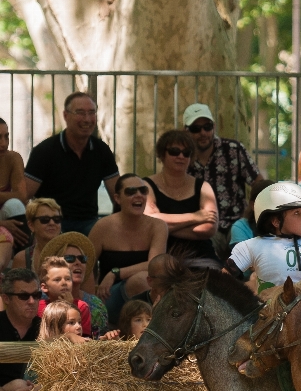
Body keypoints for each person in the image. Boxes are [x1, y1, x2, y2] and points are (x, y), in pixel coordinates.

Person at [24, 92, 120, 236]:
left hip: (89, 222)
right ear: (65, 115)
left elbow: (118, 195)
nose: (87, 119)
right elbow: (24, 195)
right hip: (53, 222)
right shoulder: (44, 151)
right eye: (80, 113)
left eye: (91, 112)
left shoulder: (102, 150)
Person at [183, 103, 263, 259]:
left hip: (239, 223)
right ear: (186, 131)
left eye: (207, 126)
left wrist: (250, 211)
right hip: (204, 228)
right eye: (195, 129)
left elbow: (259, 183)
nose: (203, 133)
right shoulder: (182, 157)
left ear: (213, 126)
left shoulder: (233, 149)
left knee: (251, 263)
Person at [89, 174, 168, 324]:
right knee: (142, 279)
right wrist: (91, 302)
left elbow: (154, 265)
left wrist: (115, 273)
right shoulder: (102, 227)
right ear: (117, 198)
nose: (138, 195)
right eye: (131, 191)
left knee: (151, 280)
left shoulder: (157, 226)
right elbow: (86, 267)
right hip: (108, 297)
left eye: (143, 190)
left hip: (146, 295)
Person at [225, 182, 301, 294]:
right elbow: (222, 281)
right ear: (276, 221)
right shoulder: (248, 247)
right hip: (264, 310)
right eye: (296, 213)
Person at [144, 130, 221, 270]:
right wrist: (195, 217)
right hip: (164, 258)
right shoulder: (147, 185)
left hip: (202, 257)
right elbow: (148, 222)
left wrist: (162, 227)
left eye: (186, 153)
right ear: (162, 154)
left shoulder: (203, 186)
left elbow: (209, 228)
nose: (181, 156)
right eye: (174, 151)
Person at [38, 232, 106, 337]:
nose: (78, 262)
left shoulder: (96, 305)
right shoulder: (36, 301)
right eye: (70, 258)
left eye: (82, 259)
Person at [0, 268, 41, 391]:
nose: (31, 301)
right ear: (6, 298)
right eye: (23, 296)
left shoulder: (46, 328)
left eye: (36, 295)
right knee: (18, 384)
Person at [0, 118, 30, 248]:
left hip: (5, 216)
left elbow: (22, 196)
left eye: (6, 137)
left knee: (15, 205)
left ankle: (22, 260)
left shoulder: (12, 158)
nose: (4, 144)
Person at [12, 198, 62, 274]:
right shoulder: (22, 259)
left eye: (57, 219)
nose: (52, 223)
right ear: (31, 225)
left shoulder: (74, 255)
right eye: (45, 219)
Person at [230, 178, 275, 252]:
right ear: (253, 205)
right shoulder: (241, 227)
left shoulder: (287, 225)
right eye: (266, 201)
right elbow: (243, 259)